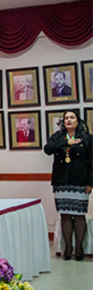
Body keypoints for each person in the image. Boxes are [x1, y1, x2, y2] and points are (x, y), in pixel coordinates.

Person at [43, 110, 92, 261]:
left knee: (79, 216)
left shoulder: (87, 138)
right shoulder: (57, 137)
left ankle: (79, 248)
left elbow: (92, 161)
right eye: (66, 118)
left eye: (72, 117)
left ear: (78, 121)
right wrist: (66, 142)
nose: (69, 120)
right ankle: (68, 248)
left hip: (80, 181)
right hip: (61, 182)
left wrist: (90, 182)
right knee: (64, 215)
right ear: (63, 122)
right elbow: (47, 149)